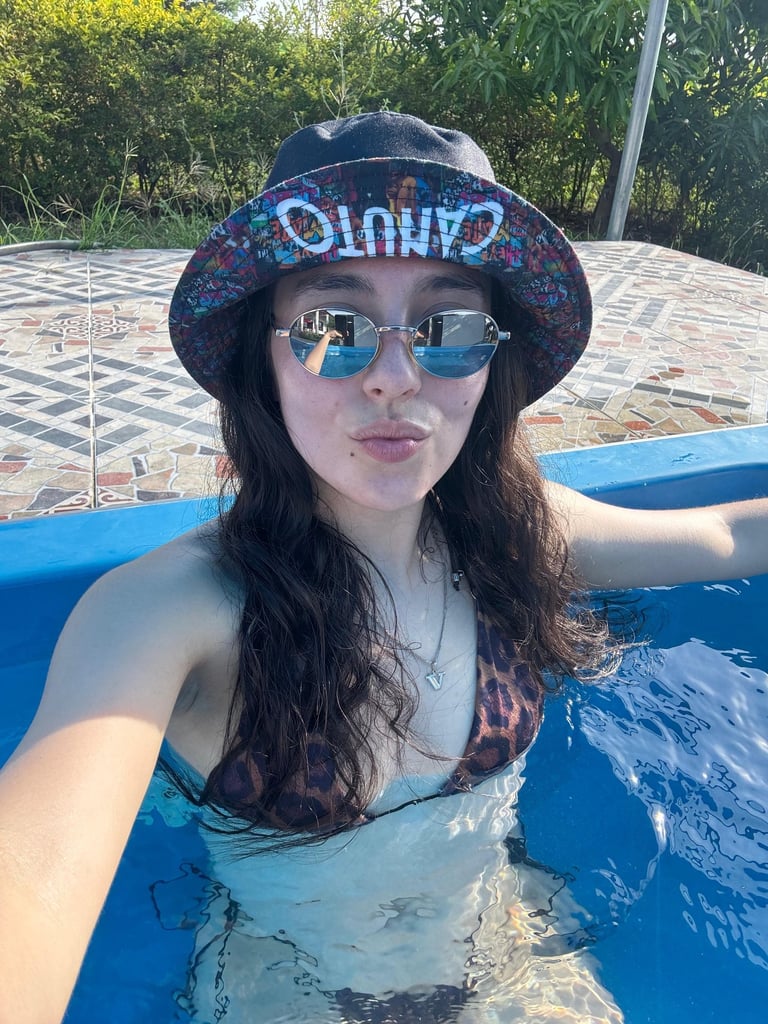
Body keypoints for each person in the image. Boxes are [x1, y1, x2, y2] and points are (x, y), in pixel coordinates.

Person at [1, 111, 766, 1024]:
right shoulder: (169, 611)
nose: (396, 377)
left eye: (449, 326)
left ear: (491, 361)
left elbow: (728, 538)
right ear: (262, 358)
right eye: (334, 326)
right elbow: (29, 878)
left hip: (517, 956)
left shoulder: (519, 534)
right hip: (281, 989)